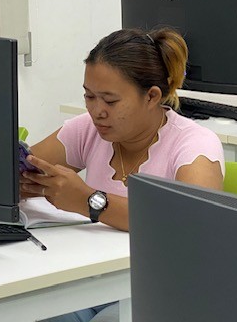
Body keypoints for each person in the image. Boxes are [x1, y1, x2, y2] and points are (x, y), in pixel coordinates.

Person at [21, 27, 225, 322]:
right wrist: (21, 180)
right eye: (89, 96)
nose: (97, 111)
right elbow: (26, 170)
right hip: (95, 282)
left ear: (152, 96)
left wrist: (89, 201)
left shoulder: (194, 145)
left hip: (167, 292)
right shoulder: (88, 129)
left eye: (110, 101)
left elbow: (190, 226)